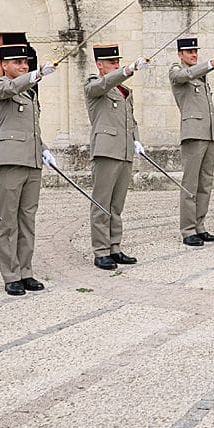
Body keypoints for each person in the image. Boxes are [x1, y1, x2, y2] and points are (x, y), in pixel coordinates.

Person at [0, 40, 53, 295]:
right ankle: (10, 274)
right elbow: (8, 88)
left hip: (32, 160)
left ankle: (26, 271)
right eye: (17, 62)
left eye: (26, 62)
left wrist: (44, 148)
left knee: (27, 219)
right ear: (4, 65)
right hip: (9, 160)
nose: (23, 66)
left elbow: (30, 128)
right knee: (8, 220)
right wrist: (35, 75)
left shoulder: (30, 93)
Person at [85, 43, 146, 270]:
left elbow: (132, 119)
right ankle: (100, 251)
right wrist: (127, 71)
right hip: (106, 149)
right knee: (101, 203)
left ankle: (114, 247)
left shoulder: (123, 91)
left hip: (124, 151)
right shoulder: (93, 84)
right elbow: (100, 86)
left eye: (117, 62)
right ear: (99, 65)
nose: (116, 65)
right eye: (111, 62)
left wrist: (136, 139)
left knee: (117, 204)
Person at [169, 36, 214, 247]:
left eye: (195, 52)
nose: (193, 55)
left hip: (207, 133)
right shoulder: (177, 71)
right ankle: (187, 230)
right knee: (191, 183)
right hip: (193, 134)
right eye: (189, 52)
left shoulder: (200, 77)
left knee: (205, 182)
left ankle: (200, 225)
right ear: (180, 54)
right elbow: (184, 75)